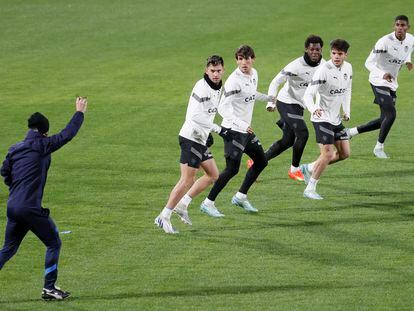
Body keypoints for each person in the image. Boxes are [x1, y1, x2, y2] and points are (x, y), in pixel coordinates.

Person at [0, 97, 87, 300]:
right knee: (54, 243)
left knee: (8, 248)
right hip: (30, 208)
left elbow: (5, 172)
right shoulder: (43, 145)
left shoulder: (15, 148)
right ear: (45, 131)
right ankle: (49, 288)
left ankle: (50, 288)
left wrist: (16, 186)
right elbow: (67, 135)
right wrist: (79, 112)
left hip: (13, 207)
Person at [200, 45, 275, 216]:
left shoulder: (254, 74)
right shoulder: (234, 81)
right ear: (237, 60)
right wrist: (241, 125)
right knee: (232, 169)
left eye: (247, 58)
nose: (244, 62)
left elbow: (250, 93)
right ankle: (208, 203)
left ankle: (240, 197)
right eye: (240, 59)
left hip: (245, 131)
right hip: (233, 130)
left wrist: (268, 98)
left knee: (262, 161)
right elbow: (222, 109)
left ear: (253, 59)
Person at [154, 55, 225, 234]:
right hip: (190, 138)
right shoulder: (201, 87)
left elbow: (208, 113)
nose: (215, 74)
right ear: (206, 71)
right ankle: (164, 216)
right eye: (212, 71)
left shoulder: (218, 87)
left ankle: (182, 205)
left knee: (213, 175)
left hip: (200, 138)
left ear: (223, 70)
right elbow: (195, 116)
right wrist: (217, 129)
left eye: (218, 71)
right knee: (187, 179)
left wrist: (207, 133)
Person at [347, 15, 413, 158]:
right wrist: (382, 73)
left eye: (403, 25)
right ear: (394, 26)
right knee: (391, 114)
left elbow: (407, 51)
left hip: (392, 82)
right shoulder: (384, 42)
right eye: (397, 25)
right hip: (378, 80)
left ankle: (350, 132)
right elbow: (368, 63)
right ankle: (379, 147)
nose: (400, 28)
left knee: (384, 119)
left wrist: (408, 61)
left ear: (408, 27)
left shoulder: (411, 39)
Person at [265, 35, 325, 181]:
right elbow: (275, 82)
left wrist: (315, 107)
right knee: (303, 133)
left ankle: (258, 160)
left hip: (300, 105)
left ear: (321, 49)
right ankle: (294, 169)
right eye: (312, 49)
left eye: (317, 49)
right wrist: (271, 102)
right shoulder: (295, 66)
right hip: (285, 102)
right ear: (306, 49)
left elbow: (320, 89)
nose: (315, 52)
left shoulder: (324, 66)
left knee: (288, 140)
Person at [301, 39, 352, 200]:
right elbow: (308, 94)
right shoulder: (323, 70)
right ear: (330, 53)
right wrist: (314, 108)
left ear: (345, 54)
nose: (336, 56)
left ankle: (309, 168)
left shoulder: (348, 68)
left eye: (340, 54)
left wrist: (347, 110)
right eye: (334, 53)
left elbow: (347, 90)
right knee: (328, 154)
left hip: (336, 119)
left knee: (344, 154)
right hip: (321, 117)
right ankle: (310, 188)